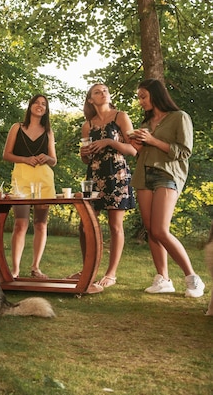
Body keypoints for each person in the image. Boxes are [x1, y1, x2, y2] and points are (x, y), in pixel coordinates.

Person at [130, 78, 205, 297]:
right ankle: (163, 279)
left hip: (168, 175)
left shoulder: (179, 117)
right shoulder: (145, 123)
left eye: (143, 96)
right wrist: (135, 143)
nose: (140, 101)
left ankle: (193, 278)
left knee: (161, 230)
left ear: (156, 94)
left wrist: (152, 140)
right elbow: (139, 153)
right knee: (151, 230)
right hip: (144, 175)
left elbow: (184, 151)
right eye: (139, 98)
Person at [79, 84, 137, 288]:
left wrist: (108, 142)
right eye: (97, 91)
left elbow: (133, 149)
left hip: (116, 174)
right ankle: (87, 269)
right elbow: (86, 158)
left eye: (105, 90)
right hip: (93, 175)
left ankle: (111, 274)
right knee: (85, 225)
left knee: (115, 225)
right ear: (90, 100)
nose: (103, 93)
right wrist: (84, 154)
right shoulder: (87, 125)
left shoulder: (120, 116)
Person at [2, 94, 57, 279]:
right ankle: (15, 270)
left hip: (44, 179)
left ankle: (35, 267)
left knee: (41, 224)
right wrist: (25, 159)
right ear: (30, 106)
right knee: (20, 223)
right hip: (22, 178)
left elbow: (54, 160)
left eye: (44, 104)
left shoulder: (48, 131)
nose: (40, 106)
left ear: (46, 109)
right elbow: (7, 155)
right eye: (37, 103)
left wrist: (47, 158)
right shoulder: (17, 127)